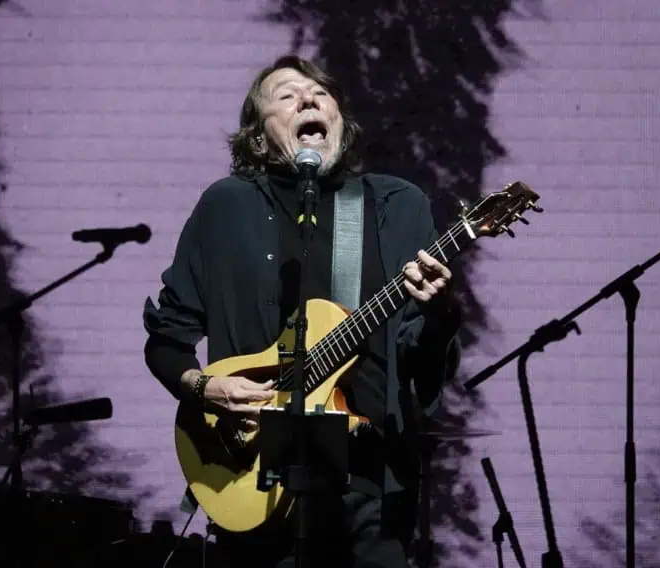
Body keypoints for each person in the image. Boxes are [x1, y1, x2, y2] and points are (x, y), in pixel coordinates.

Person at [143, 55, 461, 568]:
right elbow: (166, 339)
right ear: (259, 139)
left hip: (367, 485)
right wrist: (204, 387)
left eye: (321, 93)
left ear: (339, 120)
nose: (309, 99)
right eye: (286, 96)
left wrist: (441, 312)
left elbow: (420, 363)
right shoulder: (225, 207)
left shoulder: (397, 206)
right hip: (253, 478)